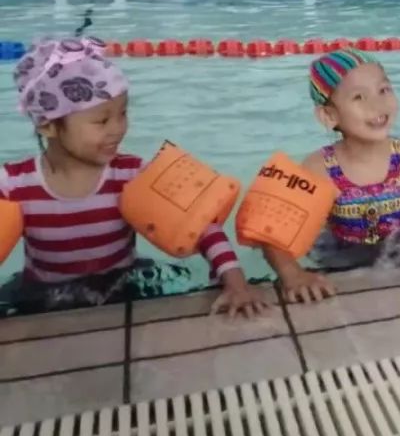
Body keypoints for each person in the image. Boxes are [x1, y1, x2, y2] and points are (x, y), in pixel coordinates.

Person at [0, 38, 267, 316]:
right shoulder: (13, 184)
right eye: (102, 121)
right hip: (41, 295)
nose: (118, 129)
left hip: (122, 285)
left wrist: (235, 282)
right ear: (47, 126)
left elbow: (201, 225)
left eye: (123, 114)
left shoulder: (130, 174)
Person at [260, 48, 400, 302]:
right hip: (341, 256)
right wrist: (293, 275)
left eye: (384, 90)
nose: (377, 104)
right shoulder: (317, 169)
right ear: (329, 115)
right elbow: (273, 234)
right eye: (359, 97)